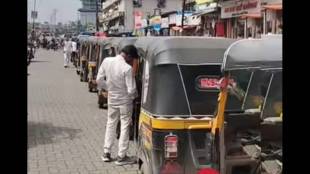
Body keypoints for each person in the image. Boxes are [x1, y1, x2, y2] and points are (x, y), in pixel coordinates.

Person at [96, 45, 139, 165]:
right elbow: (131, 90)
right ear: (129, 56)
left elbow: (99, 80)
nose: (132, 62)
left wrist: (109, 88)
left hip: (112, 99)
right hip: (125, 101)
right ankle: (121, 156)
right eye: (132, 59)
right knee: (125, 125)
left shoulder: (107, 61)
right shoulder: (127, 68)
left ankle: (106, 153)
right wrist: (135, 96)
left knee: (111, 123)